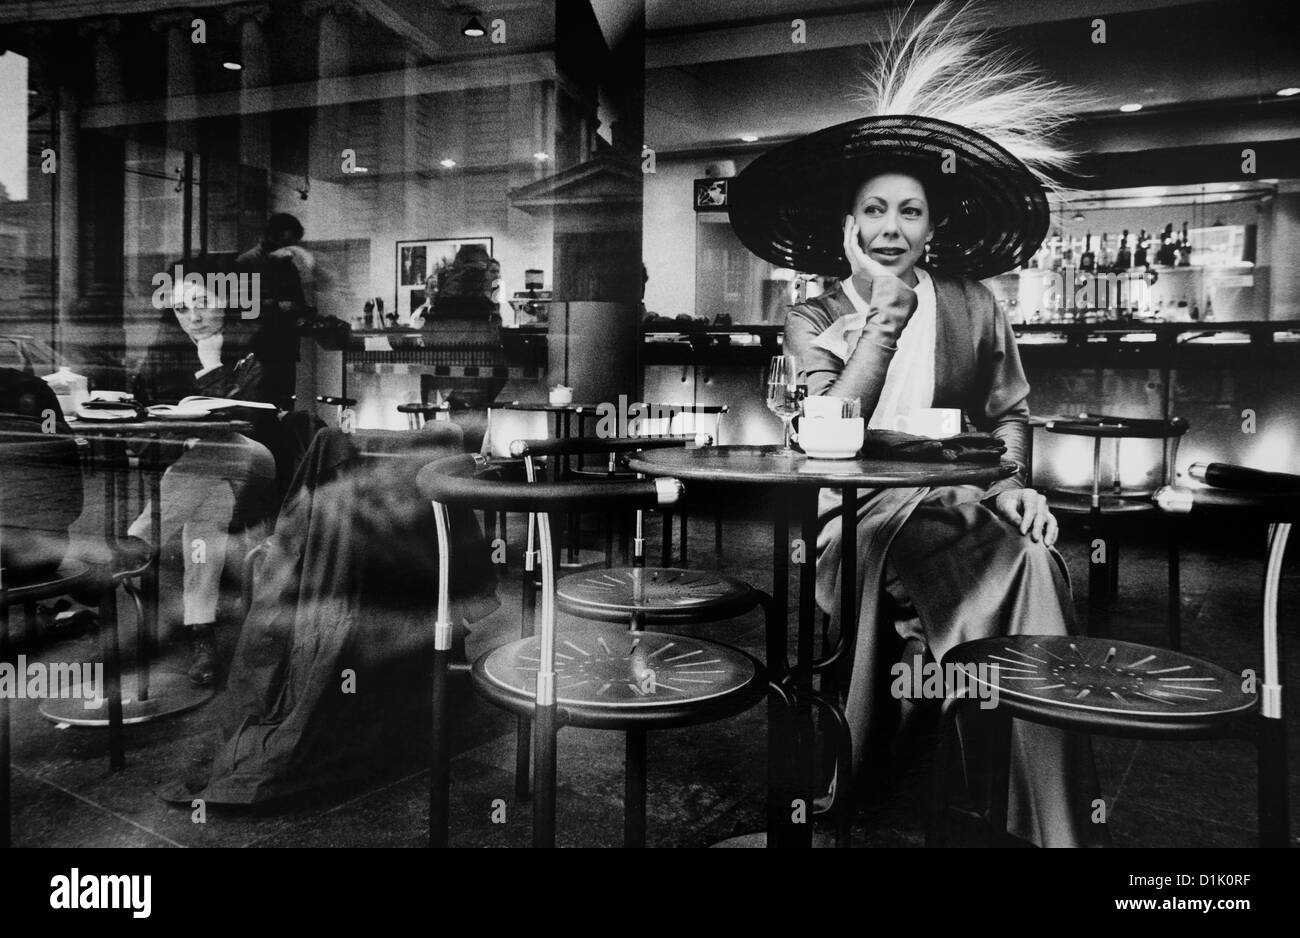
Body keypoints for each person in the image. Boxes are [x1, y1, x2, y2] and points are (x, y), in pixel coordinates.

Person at [728, 1, 1104, 847]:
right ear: (847, 225)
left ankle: (1043, 816)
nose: (889, 228)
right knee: (992, 569)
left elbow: (1008, 413)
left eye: (908, 212)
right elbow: (831, 430)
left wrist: (1015, 488)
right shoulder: (815, 314)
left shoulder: (976, 304)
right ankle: (1013, 797)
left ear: (933, 227)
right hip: (854, 516)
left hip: (960, 501)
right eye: (873, 210)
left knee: (1034, 558)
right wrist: (883, 318)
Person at [130, 266, 278, 686]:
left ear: (226, 302)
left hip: (256, 462)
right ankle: (202, 634)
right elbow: (146, 420)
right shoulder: (165, 354)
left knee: (220, 444)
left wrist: (211, 366)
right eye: (180, 307)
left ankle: (138, 540)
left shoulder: (252, 350)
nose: (192, 316)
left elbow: (245, 420)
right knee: (205, 516)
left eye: (201, 303)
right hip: (202, 477)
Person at [236, 213, 315, 409]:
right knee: (261, 403)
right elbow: (244, 306)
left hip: (283, 347)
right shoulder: (247, 263)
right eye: (287, 242)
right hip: (260, 348)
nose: (290, 249)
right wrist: (278, 306)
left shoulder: (287, 266)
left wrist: (304, 314)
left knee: (284, 402)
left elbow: (298, 300)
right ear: (274, 236)